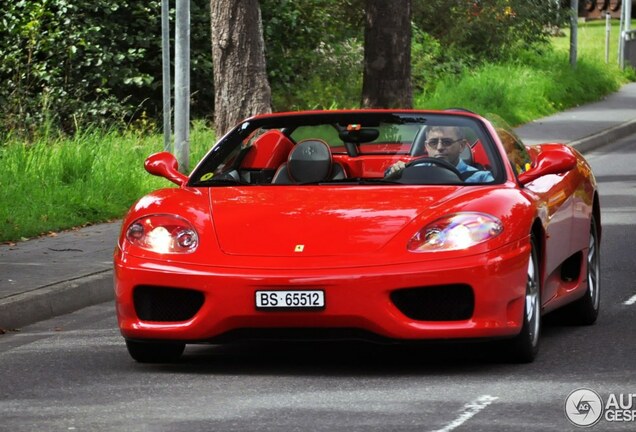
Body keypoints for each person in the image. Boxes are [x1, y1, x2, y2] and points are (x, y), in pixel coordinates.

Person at [385, 126, 494, 182]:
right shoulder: (412, 171)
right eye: (433, 143)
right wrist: (394, 171)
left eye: (447, 142)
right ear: (427, 147)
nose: (439, 147)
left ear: (462, 146)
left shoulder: (481, 178)